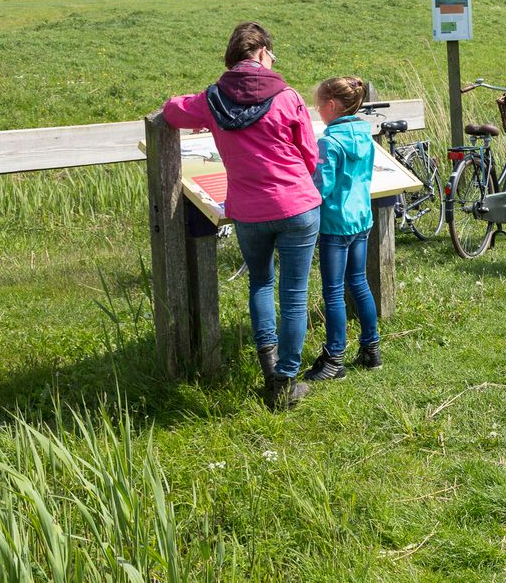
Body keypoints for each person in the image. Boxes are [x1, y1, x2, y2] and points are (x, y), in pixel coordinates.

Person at [161, 22, 320, 411]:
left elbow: (172, 111)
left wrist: (179, 102)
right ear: (263, 52)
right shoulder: (287, 96)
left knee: (261, 284)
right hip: (296, 204)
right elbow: (310, 155)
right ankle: (286, 381)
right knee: (294, 294)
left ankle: (269, 372)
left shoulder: (213, 99)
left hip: (248, 209)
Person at [303, 76, 382, 382]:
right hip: (361, 219)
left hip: (335, 224)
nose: (316, 110)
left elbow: (321, 187)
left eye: (318, 105)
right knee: (359, 283)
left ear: (331, 106)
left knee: (334, 292)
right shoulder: (364, 134)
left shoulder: (329, 141)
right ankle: (371, 348)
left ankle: (335, 357)